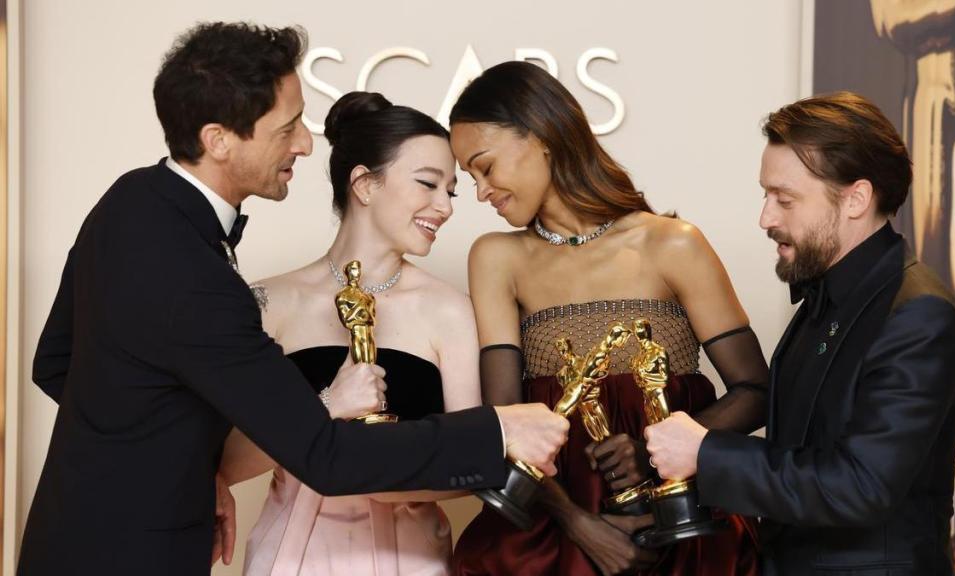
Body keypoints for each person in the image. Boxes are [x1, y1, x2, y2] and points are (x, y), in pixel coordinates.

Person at [21, 24, 568, 576]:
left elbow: (56, 363)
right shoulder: (205, 279)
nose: (306, 143)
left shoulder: (129, 201)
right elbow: (325, 456)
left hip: (66, 538)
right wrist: (497, 430)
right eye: (287, 129)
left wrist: (183, 470)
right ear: (218, 139)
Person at [448, 61, 765, 576]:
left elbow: (755, 391)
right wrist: (578, 524)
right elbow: (504, 422)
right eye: (470, 177)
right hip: (556, 530)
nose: (481, 192)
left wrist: (653, 452)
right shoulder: (496, 258)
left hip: (684, 526)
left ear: (540, 136)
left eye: (485, 167)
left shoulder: (673, 243)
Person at [645, 92, 955, 576]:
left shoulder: (919, 316)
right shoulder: (823, 297)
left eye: (785, 199)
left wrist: (705, 452)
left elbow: (862, 486)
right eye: (765, 195)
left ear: (856, 198)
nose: (766, 218)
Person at [218, 91, 482, 575]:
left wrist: (368, 470)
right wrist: (324, 408)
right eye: (428, 184)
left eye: (451, 191)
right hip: (290, 557)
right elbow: (225, 466)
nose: (444, 206)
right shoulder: (266, 303)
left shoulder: (449, 310)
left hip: (412, 559)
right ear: (364, 183)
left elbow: (469, 465)